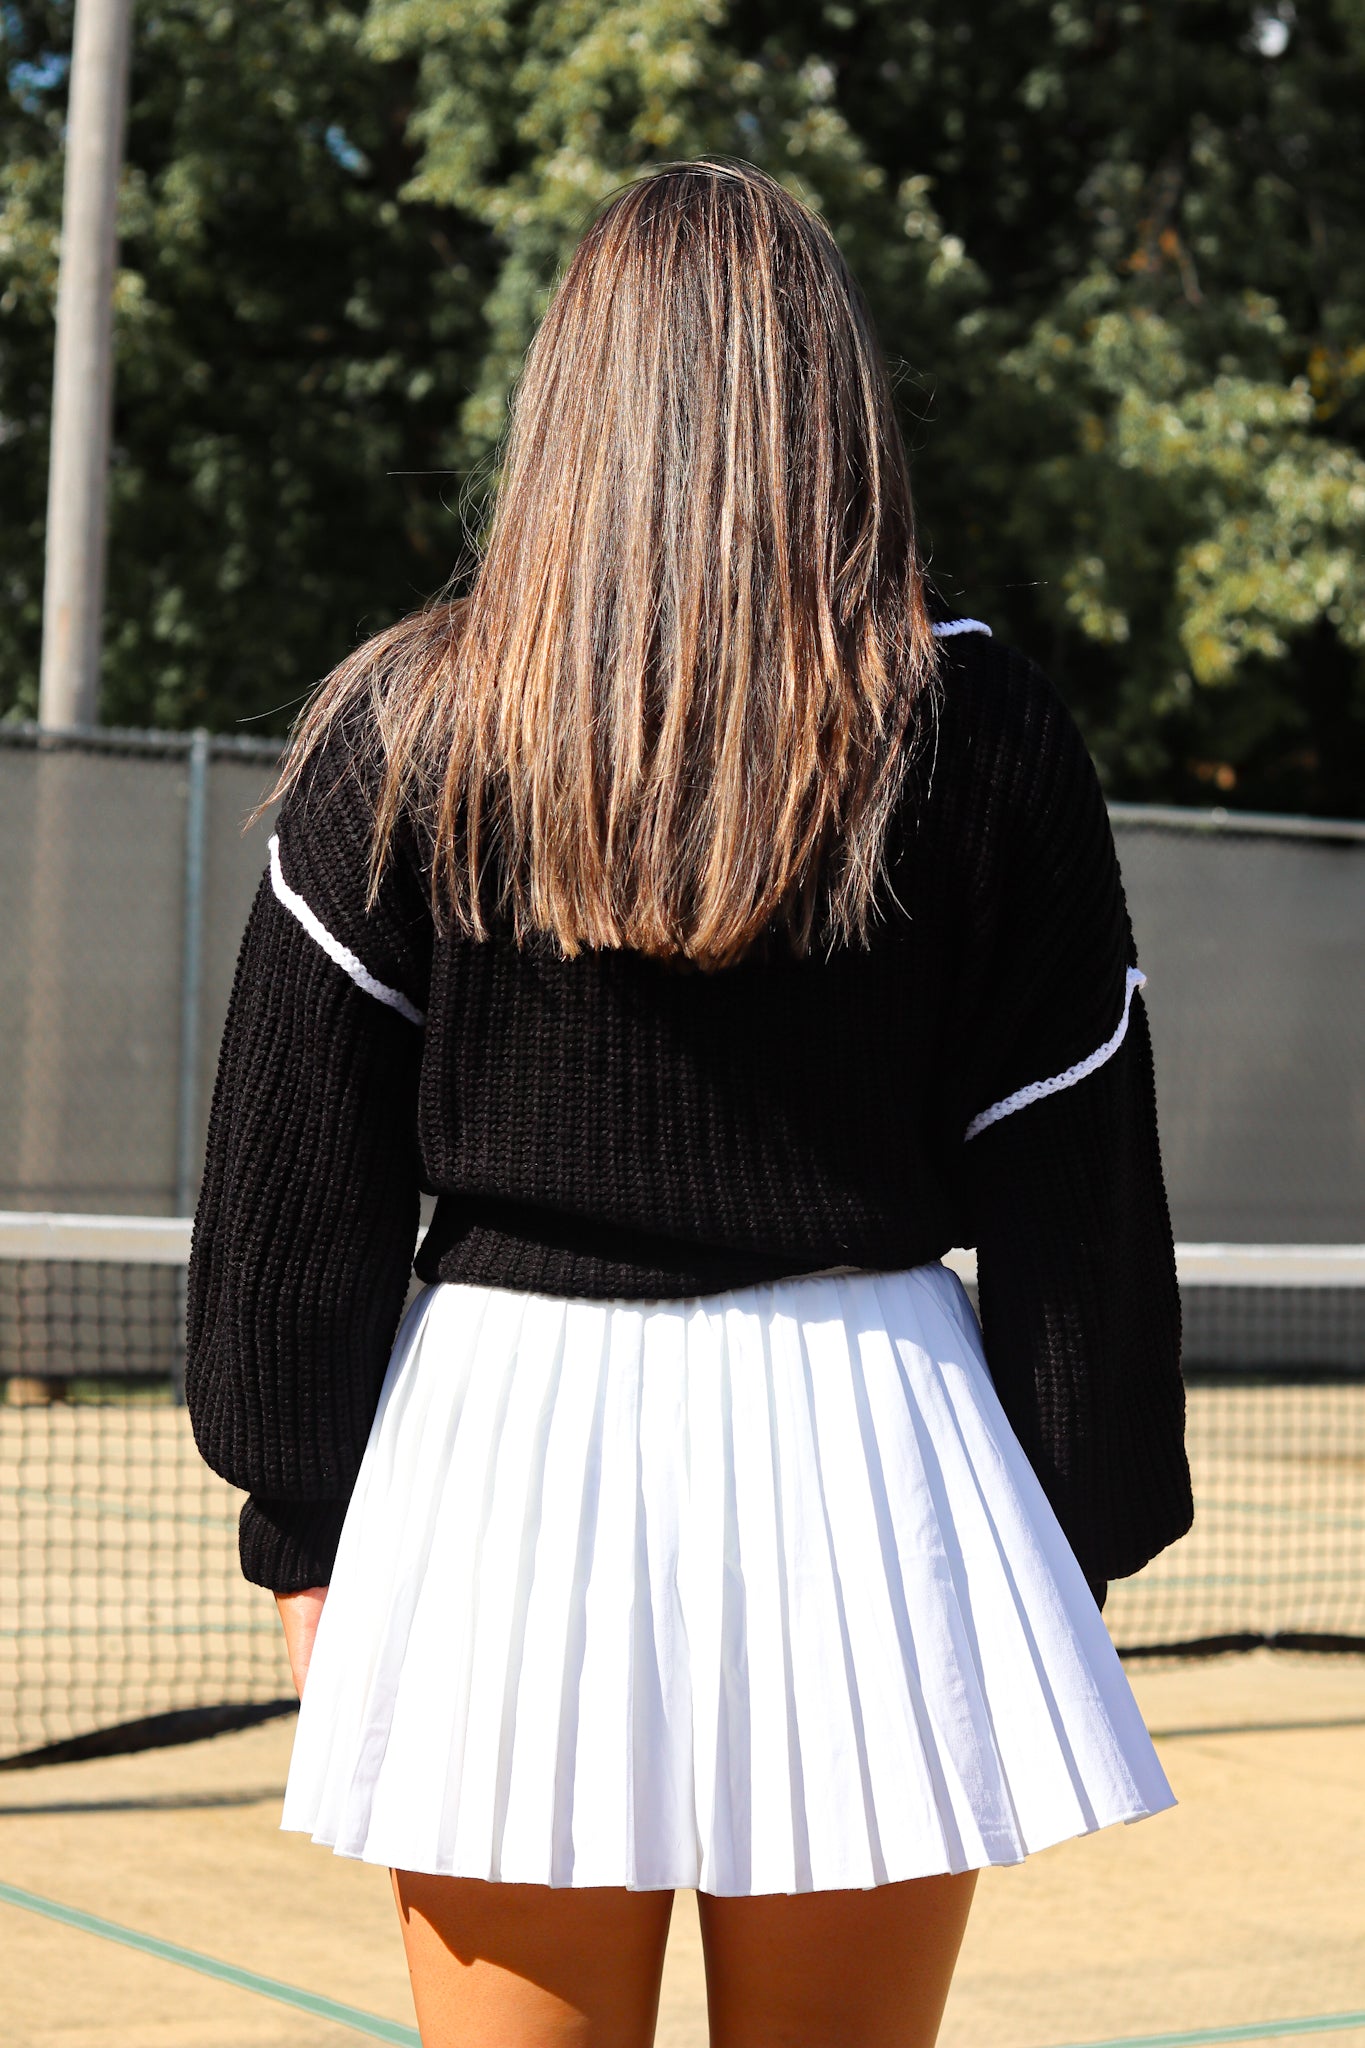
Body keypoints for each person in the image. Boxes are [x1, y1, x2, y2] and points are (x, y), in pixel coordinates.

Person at [186, 158, 1193, 2048]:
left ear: (565, 396)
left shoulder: (403, 721)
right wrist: (1079, 1517)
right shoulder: (980, 728)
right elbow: (1073, 1165)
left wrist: (298, 1522)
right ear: (836, 401)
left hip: (491, 1473)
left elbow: (288, 1194)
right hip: (878, 1464)